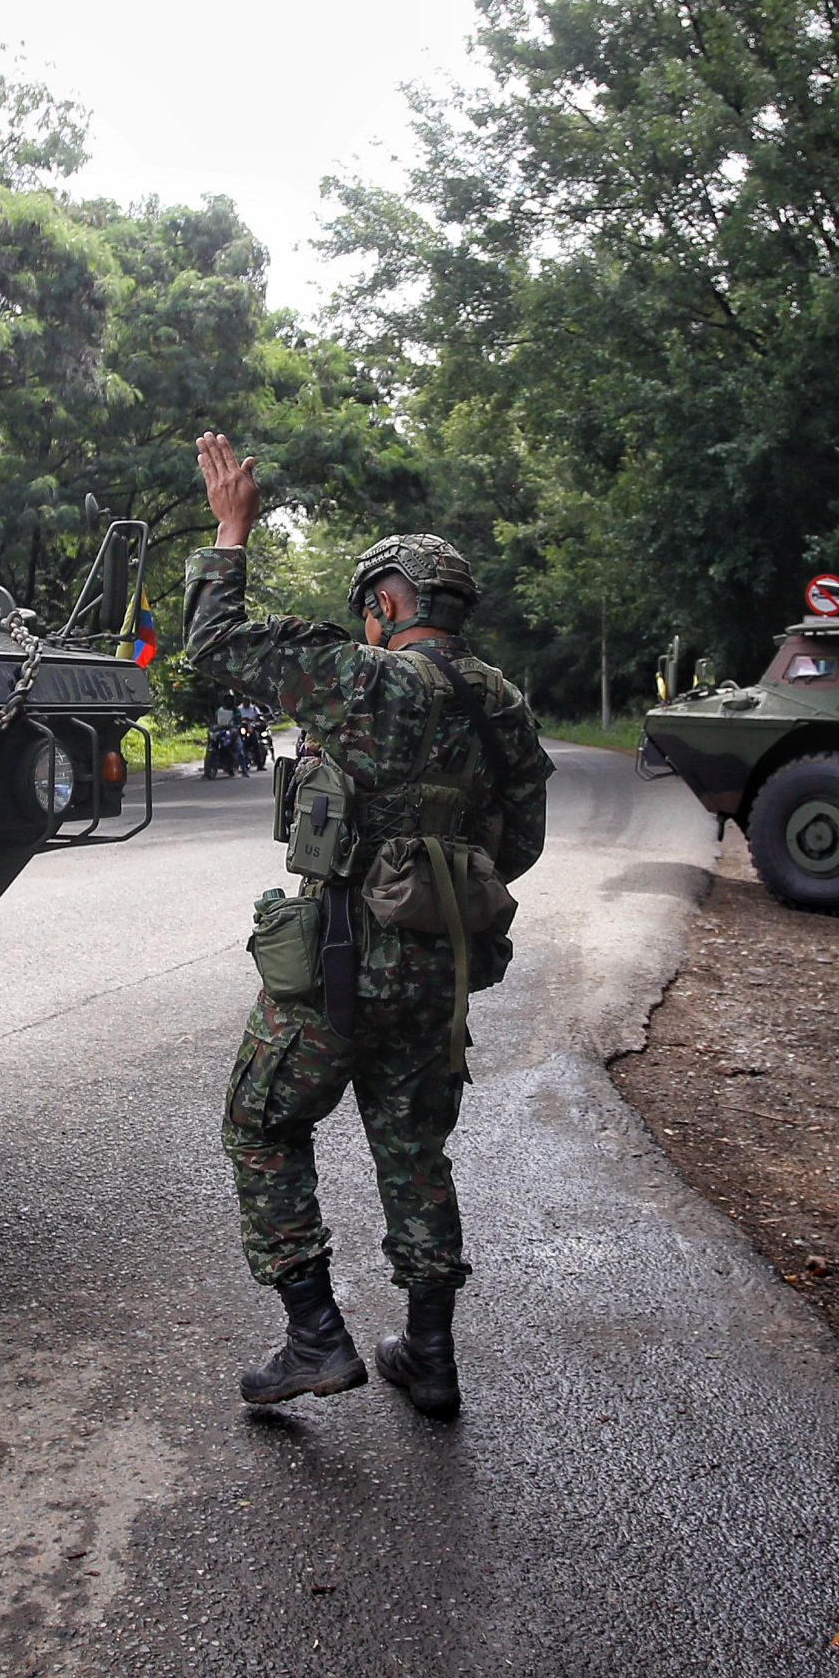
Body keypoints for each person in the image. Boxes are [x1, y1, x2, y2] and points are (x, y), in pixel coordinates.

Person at [185, 431, 553, 1418]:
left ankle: (314, 1334)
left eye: (368, 607)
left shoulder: (365, 680)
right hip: (437, 977)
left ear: (388, 603)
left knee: (260, 1122)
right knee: (413, 1147)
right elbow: (518, 843)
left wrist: (231, 531)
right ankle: (428, 1353)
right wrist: (431, 875)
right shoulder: (504, 706)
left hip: (339, 963)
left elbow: (213, 644)